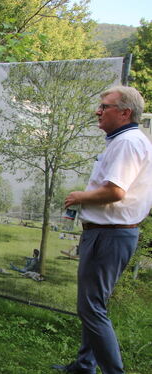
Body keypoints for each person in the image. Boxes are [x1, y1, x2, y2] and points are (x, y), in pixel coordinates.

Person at [56, 86, 152, 374]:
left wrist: (78, 197)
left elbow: (115, 191)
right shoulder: (127, 140)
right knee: (94, 304)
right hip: (111, 233)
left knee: (90, 308)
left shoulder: (127, 144)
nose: (98, 111)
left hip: (108, 234)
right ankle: (85, 365)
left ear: (125, 112)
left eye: (105, 106)